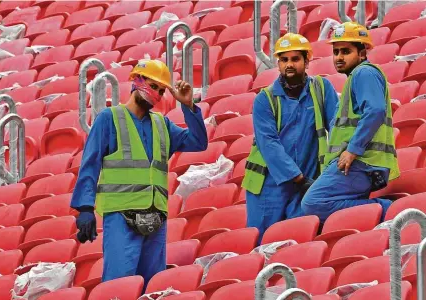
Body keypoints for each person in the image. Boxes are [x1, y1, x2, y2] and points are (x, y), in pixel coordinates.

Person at [70, 60, 208, 290]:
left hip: (156, 217)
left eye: (162, 91)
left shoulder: (162, 124)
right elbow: (90, 164)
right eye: (154, 86)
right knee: (119, 285)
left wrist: (188, 106)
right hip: (121, 217)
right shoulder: (109, 118)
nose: (157, 94)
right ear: (137, 81)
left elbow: (199, 142)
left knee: (152, 287)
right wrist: (85, 208)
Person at [241, 33, 339, 241]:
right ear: (278, 63)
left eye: (295, 59)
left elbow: (338, 128)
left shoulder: (322, 89)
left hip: (307, 178)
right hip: (268, 186)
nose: (289, 65)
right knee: (264, 242)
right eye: (284, 60)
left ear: (306, 61)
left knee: (301, 238)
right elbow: (269, 145)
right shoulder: (264, 99)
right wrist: (299, 178)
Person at [301, 22, 400, 223]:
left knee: (313, 202)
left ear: (362, 53)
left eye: (346, 51)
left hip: (361, 161)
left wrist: (352, 150)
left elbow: (376, 110)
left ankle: (388, 210)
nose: (339, 57)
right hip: (356, 163)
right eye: (336, 52)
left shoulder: (364, 73)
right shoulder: (355, 78)